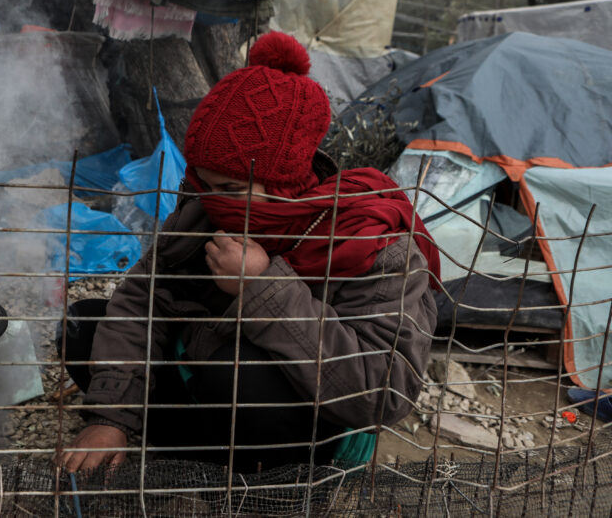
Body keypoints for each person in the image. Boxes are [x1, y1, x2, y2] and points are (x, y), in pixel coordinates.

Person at [59, 31, 440, 474]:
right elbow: (140, 303)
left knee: (239, 374)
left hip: (314, 421)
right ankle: (187, 454)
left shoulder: (372, 238)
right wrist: (109, 418)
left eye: (231, 189)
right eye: (204, 183)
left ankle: (276, 481)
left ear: (287, 181)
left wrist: (262, 287)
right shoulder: (203, 211)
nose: (213, 200)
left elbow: (383, 390)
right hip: (210, 384)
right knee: (84, 325)